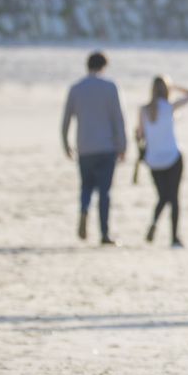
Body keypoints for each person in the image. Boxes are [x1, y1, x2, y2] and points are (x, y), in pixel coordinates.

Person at [62, 51, 127, 245]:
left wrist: (66, 144)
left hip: (84, 147)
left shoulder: (76, 88)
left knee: (86, 187)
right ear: (104, 66)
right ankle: (104, 233)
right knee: (104, 192)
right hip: (106, 148)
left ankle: (84, 210)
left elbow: (66, 120)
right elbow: (118, 118)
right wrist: (123, 145)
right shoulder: (110, 87)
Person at [137, 76, 188, 249]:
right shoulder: (169, 107)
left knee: (163, 196)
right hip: (173, 157)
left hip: (153, 160)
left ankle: (154, 222)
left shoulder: (144, 110)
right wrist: (175, 86)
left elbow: (140, 135)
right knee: (174, 197)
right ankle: (175, 237)